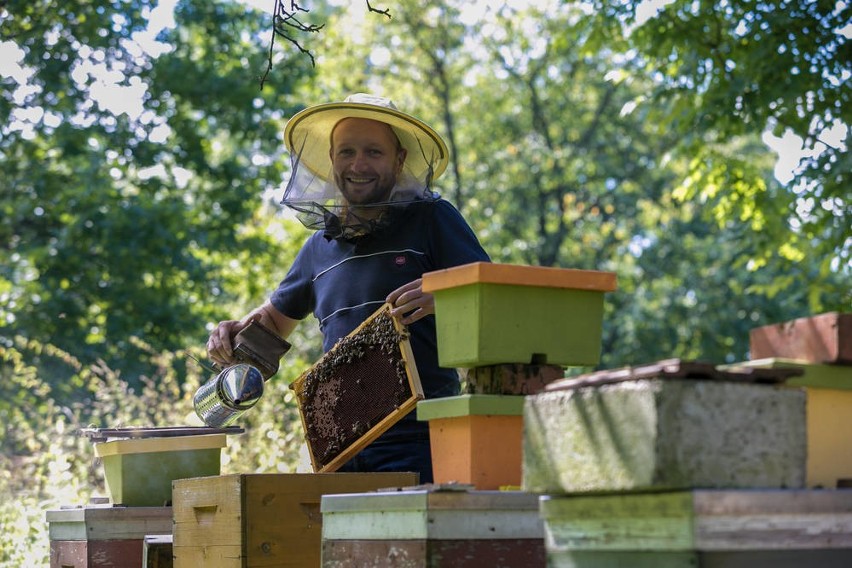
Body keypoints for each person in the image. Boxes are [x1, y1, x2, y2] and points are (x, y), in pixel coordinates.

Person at [207, 93, 490, 483]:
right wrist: (232, 334)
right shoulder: (317, 248)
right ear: (331, 160)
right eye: (347, 152)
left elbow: (494, 294)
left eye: (374, 152)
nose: (358, 164)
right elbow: (272, 323)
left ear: (399, 160)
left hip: (425, 438)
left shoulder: (432, 219)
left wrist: (446, 295)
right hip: (341, 448)